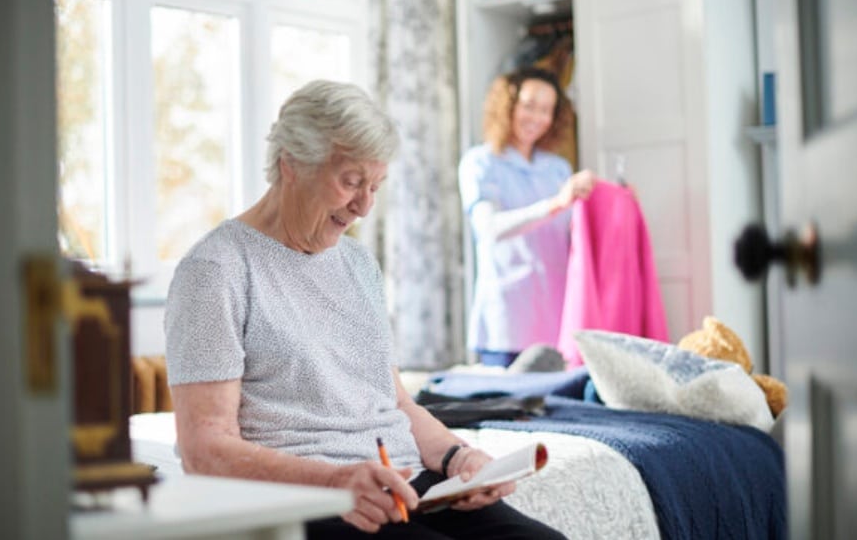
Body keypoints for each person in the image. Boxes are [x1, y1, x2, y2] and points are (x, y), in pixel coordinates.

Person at [164, 79, 566, 540]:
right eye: (351, 181)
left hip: (403, 482)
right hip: (308, 496)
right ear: (290, 163)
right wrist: (336, 481)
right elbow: (204, 449)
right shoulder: (215, 269)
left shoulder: (358, 263)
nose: (364, 206)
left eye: (375, 185)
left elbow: (393, 401)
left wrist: (459, 459)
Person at [459, 67, 596, 367]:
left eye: (546, 110)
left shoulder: (558, 169)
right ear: (507, 106)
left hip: (557, 320)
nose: (537, 118)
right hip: (506, 322)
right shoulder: (480, 163)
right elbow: (489, 228)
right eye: (529, 106)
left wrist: (616, 201)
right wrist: (555, 203)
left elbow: (578, 233)